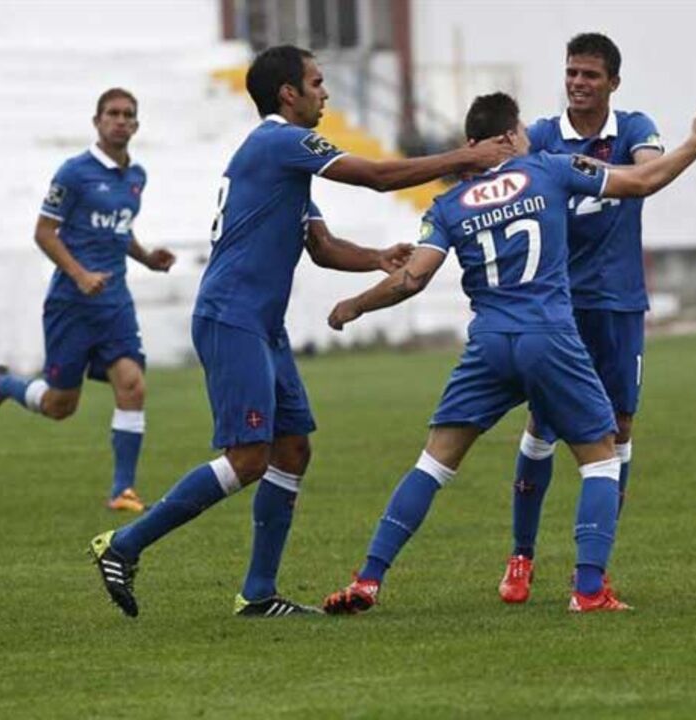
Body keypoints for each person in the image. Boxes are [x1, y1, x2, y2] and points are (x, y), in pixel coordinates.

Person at [86, 44, 515, 619]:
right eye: (317, 82)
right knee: (247, 458)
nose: (325, 93)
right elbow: (380, 176)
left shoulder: (282, 161)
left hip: (260, 323)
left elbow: (322, 246)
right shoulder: (279, 141)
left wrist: (378, 258)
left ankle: (259, 593)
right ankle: (123, 544)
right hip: (232, 316)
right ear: (288, 93)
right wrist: (466, 155)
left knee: (292, 448)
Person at [322, 92, 696, 614]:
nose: (532, 136)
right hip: (549, 335)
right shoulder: (550, 169)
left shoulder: (446, 206)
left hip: (488, 344)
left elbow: (413, 278)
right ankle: (589, 590)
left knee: (434, 461)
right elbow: (641, 181)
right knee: (601, 459)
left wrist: (354, 304)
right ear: (509, 137)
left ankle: (369, 579)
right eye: (524, 131)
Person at [499, 33, 666, 605]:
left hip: (618, 304)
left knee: (618, 429)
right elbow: (504, 172)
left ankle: (592, 571)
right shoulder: (543, 135)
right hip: (558, 306)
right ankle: (521, 556)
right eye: (571, 72)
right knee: (542, 427)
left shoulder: (635, 130)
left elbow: (650, 170)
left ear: (612, 83)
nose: (577, 83)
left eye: (590, 75)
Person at [0, 88, 175, 513]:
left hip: (115, 302)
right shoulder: (73, 173)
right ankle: (4, 385)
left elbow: (119, 232)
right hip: (71, 303)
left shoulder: (137, 177)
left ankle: (123, 490)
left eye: (128, 115)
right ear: (97, 121)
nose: (120, 120)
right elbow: (43, 232)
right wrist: (80, 275)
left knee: (133, 385)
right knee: (61, 405)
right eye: (112, 113)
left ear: (136, 125)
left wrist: (147, 258)